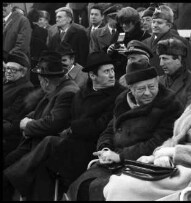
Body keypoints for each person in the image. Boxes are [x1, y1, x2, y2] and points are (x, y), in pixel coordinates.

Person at [103, 48, 191, 201]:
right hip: (179, 169)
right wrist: (159, 153)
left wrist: (174, 153)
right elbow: (176, 138)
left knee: (122, 187)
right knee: (118, 183)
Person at [2, 51, 125, 201]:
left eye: (112, 70)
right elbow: (49, 114)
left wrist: (73, 127)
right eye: (107, 71)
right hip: (69, 142)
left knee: (47, 146)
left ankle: (14, 177)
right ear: (93, 76)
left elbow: (99, 126)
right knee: (42, 167)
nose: (112, 75)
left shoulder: (117, 96)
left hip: (90, 148)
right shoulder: (82, 93)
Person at [66, 60, 184, 201]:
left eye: (152, 87)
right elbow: (110, 129)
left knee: (102, 190)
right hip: (114, 162)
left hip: (143, 164)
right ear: (131, 90)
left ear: (158, 83)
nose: (148, 93)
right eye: (141, 89)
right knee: (81, 186)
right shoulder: (123, 101)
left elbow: (158, 142)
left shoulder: (169, 105)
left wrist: (120, 156)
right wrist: (104, 149)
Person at [4, 51, 80, 170]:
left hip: (45, 148)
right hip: (35, 141)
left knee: (9, 168)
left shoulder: (67, 92)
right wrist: (26, 120)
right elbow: (39, 110)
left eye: (40, 80)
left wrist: (28, 126)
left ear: (46, 81)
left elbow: (54, 123)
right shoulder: (57, 88)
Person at [142, 5, 191, 75]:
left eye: (159, 23)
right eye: (153, 22)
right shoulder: (145, 42)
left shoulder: (181, 42)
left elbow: (189, 68)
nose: (155, 25)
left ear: (169, 25)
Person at [3, 52, 34, 158]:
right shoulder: (9, 83)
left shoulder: (26, 89)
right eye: (7, 68)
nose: (8, 72)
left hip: (9, 137)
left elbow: (13, 115)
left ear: (23, 72)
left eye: (13, 69)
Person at [107, 6, 151, 79]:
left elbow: (146, 61)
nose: (124, 26)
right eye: (122, 23)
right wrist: (110, 52)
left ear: (135, 22)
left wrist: (128, 54)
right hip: (117, 75)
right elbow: (112, 58)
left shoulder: (145, 36)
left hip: (136, 75)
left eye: (127, 23)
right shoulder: (118, 33)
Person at [157, 38, 191, 108]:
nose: (161, 64)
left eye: (165, 59)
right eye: (160, 59)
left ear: (179, 59)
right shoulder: (158, 81)